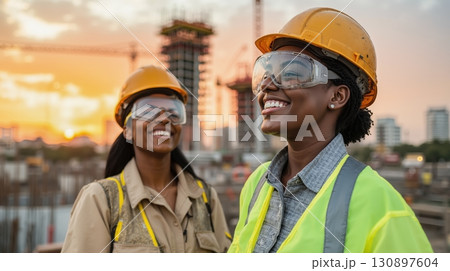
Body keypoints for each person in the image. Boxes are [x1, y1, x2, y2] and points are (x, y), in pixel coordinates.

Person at [228, 7, 432, 253]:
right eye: (266, 73)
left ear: (337, 95)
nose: (268, 85)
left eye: (291, 72)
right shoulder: (257, 184)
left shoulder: (384, 208)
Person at [62, 65, 231, 253]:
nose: (165, 119)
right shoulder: (101, 200)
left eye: (174, 112)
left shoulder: (205, 198)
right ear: (127, 130)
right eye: (149, 111)